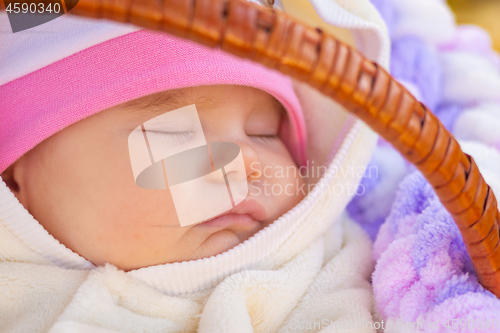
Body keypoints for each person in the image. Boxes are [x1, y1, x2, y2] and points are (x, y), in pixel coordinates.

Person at [0, 0, 390, 331]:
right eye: (173, 135)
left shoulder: (320, 270)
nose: (244, 160)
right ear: (16, 178)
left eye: (265, 132)